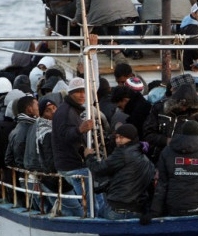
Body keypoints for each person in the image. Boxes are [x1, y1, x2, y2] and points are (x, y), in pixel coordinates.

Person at [84, 124, 155, 220]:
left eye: (122, 137)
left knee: (97, 214)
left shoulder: (122, 153)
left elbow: (99, 169)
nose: (118, 140)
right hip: (137, 209)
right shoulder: (145, 158)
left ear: (130, 138)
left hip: (118, 208)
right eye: (116, 137)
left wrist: (89, 157)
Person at [52, 77, 94, 216]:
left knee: (90, 202)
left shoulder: (70, 110)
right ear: (70, 93)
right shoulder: (65, 112)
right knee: (92, 205)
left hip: (72, 164)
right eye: (78, 92)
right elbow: (64, 135)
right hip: (73, 166)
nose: (82, 95)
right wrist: (79, 130)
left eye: (84, 91)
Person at [5, 95, 39, 169]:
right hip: (32, 174)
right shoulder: (31, 128)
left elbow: (8, 159)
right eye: (37, 105)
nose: (39, 108)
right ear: (29, 109)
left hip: (22, 174)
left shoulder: (16, 129)